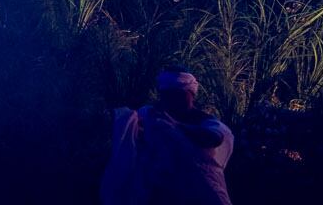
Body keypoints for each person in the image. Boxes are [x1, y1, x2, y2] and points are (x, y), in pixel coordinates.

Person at [101, 68, 235, 205]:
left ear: (190, 93)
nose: (170, 99)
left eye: (177, 94)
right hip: (158, 193)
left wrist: (174, 128)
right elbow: (125, 121)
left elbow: (215, 138)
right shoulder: (151, 115)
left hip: (200, 193)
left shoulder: (207, 122)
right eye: (166, 94)